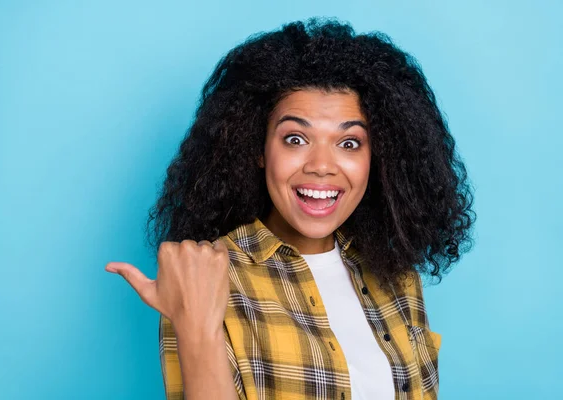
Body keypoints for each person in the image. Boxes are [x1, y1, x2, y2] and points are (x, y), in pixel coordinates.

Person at [105, 18, 476, 400]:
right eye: (295, 139)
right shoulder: (205, 276)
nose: (322, 165)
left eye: (349, 143)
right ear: (257, 149)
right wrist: (196, 324)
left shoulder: (397, 276)